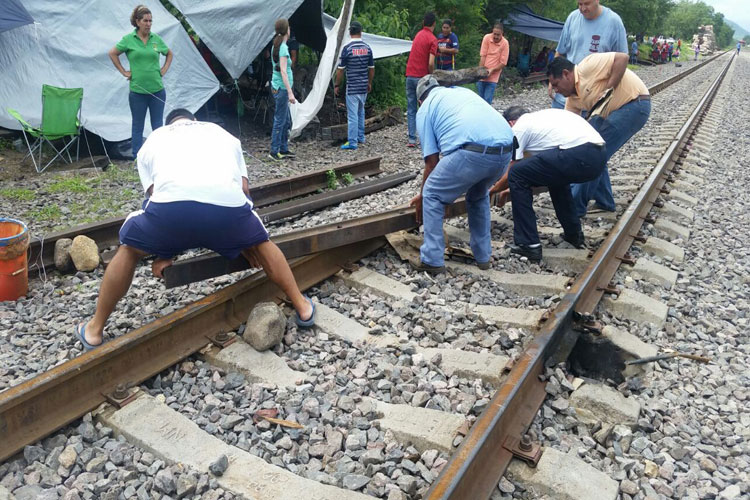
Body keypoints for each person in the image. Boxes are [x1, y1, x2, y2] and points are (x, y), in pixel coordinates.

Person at [75, 109, 316, 350]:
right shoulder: (221, 133)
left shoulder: (155, 138)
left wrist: (164, 253)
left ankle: (95, 329)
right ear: (194, 121)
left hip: (171, 214)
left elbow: (158, 198)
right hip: (228, 213)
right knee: (263, 244)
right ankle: (302, 306)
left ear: (169, 124)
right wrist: (245, 239)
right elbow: (243, 190)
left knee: (129, 249)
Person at [409, 76, 513, 273]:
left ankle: (432, 259)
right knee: (478, 194)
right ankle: (483, 257)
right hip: (505, 151)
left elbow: (431, 163)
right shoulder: (462, 92)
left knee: (432, 193)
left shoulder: (425, 108)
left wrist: (424, 196)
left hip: (472, 153)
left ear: (420, 100)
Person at [489, 107, 607, 261]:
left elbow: (513, 170)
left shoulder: (519, 128)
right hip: (598, 156)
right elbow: (536, 171)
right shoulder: (542, 120)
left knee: (517, 173)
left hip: (577, 154)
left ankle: (528, 244)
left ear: (510, 123)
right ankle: (574, 235)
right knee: (556, 179)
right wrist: (508, 189)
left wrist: (492, 190)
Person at [547, 54, 650, 218]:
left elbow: (622, 58)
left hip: (634, 105)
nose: (556, 91)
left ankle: (574, 207)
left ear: (566, 74)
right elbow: (569, 131)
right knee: (587, 148)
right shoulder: (572, 101)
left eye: (556, 85)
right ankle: (604, 202)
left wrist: (609, 88)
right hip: (611, 113)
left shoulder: (587, 65)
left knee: (592, 153)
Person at [109, 5, 173, 158]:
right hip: (138, 92)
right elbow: (112, 53)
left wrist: (164, 69)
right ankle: (137, 156)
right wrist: (124, 71)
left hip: (157, 89)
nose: (149, 24)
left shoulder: (156, 39)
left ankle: (159, 155)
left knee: (157, 124)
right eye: (145, 21)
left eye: (151, 21)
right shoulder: (128, 40)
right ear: (137, 22)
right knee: (138, 125)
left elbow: (169, 54)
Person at [549, 0, 627, 109]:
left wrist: (607, 93)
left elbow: (622, 61)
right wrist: (552, 80)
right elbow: (560, 52)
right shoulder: (572, 18)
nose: (583, 8)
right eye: (580, 4)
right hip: (564, 97)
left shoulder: (614, 22)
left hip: (592, 100)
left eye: (587, 4)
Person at [335, 21, 375, 150]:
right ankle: (360, 137)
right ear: (360, 32)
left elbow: (340, 69)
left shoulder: (347, 49)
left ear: (350, 33)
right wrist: (369, 82)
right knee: (360, 112)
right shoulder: (367, 48)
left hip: (352, 87)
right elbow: (371, 68)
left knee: (352, 115)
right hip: (363, 86)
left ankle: (352, 142)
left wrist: (337, 84)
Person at [405, 12, 438, 148]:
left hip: (410, 75)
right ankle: (427, 139)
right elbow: (430, 63)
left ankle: (412, 139)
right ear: (434, 24)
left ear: (423, 23)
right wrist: (432, 76)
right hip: (421, 78)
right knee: (425, 108)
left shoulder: (418, 35)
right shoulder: (432, 39)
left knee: (411, 108)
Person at [268, 18, 296, 162]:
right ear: (287, 30)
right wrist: (290, 92)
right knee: (280, 120)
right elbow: (284, 71)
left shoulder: (277, 45)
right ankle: (274, 151)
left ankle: (283, 148)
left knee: (286, 120)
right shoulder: (283, 48)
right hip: (282, 89)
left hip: (277, 86)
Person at [477, 22, 509, 105]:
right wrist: (481, 71)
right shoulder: (487, 38)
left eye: (498, 35)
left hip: (493, 76)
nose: (496, 37)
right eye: (494, 34)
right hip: (482, 74)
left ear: (502, 34)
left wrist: (492, 70)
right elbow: (483, 55)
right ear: (492, 32)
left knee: (487, 99)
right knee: (479, 99)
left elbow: (503, 63)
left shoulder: (505, 43)